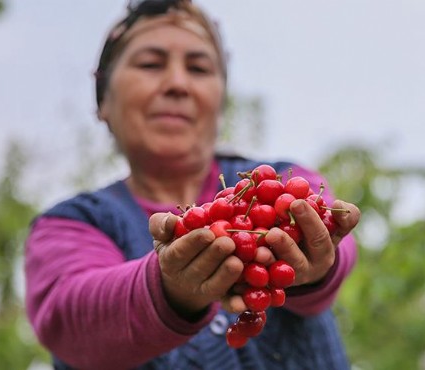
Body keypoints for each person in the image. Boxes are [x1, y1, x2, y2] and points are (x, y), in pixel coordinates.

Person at [24, 0, 360, 369]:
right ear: (103, 99)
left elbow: (335, 243)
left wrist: (317, 263)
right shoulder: (71, 224)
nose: (178, 84)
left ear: (220, 101)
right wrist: (169, 287)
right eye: (150, 64)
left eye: (199, 68)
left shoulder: (281, 180)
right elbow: (72, 319)